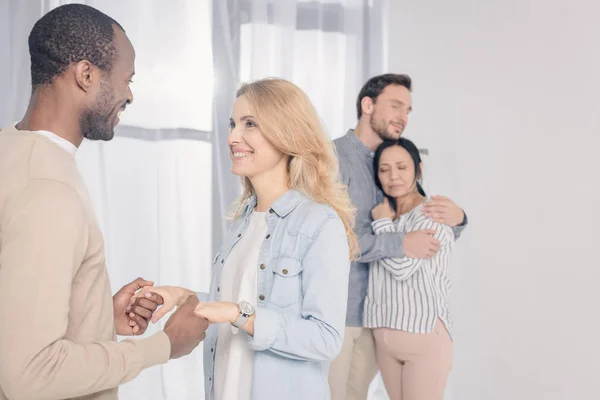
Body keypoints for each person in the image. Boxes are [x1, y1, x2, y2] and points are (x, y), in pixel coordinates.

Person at [0, 5, 208, 400]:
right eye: (125, 79)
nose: (129, 95)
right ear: (86, 74)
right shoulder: (48, 189)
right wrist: (164, 346)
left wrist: (94, 317)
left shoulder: (12, 153)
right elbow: (28, 374)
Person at [135, 78, 358, 400]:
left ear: (287, 133)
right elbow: (245, 298)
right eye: (233, 124)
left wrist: (240, 315)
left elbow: (325, 338)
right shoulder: (243, 221)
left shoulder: (319, 223)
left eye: (249, 124)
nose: (232, 137)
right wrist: (183, 296)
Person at [328, 73, 468, 400]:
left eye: (407, 109)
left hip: (381, 319)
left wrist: (460, 219)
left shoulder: (391, 160)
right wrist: (399, 243)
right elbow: (333, 241)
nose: (403, 116)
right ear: (368, 105)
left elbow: (423, 229)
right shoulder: (333, 158)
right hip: (341, 312)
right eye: (395, 105)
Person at [366, 138, 455, 400]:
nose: (393, 176)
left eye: (402, 167)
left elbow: (401, 266)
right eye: (384, 169)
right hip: (385, 340)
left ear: (418, 170)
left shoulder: (432, 215)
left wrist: (381, 225)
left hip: (424, 338)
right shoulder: (390, 215)